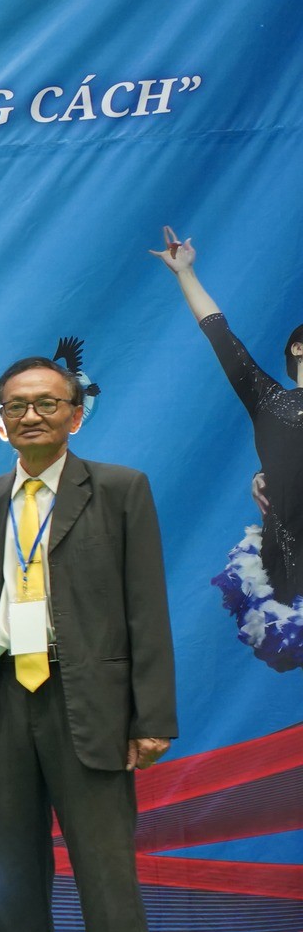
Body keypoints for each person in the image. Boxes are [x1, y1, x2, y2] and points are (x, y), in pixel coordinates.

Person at [0, 357, 176, 932]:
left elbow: (146, 604)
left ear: (76, 414)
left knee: (108, 882)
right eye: (16, 406)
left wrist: (150, 714)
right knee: (13, 885)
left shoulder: (118, 489)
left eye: (48, 403)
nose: (32, 416)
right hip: (1, 702)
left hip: (91, 703)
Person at [150, 228, 303, 642]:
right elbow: (220, 335)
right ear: (298, 348)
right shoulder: (270, 399)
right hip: (291, 554)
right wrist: (186, 273)